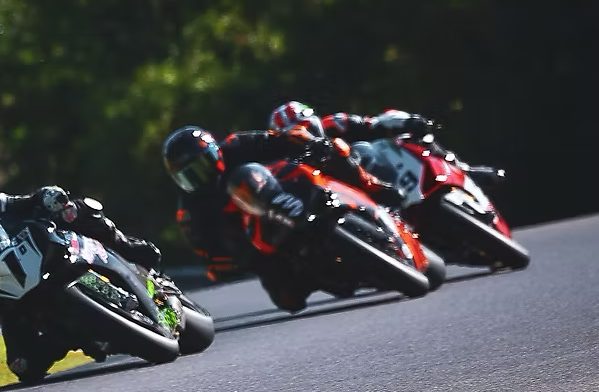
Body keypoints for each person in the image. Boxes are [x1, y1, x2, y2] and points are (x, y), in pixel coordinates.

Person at [0, 175, 164, 381]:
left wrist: (47, 196)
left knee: (75, 211)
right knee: (23, 366)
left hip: (44, 252)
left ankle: (127, 248)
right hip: (12, 298)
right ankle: (73, 335)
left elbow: (27, 202)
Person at [162, 125, 359, 312]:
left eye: (201, 168)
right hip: (261, 243)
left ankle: (379, 192)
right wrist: (230, 261)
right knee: (290, 301)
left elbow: (278, 139)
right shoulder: (191, 210)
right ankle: (325, 272)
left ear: (215, 153)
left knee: (338, 156)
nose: (199, 179)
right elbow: (207, 254)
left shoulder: (237, 145)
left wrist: (309, 144)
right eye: (188, 177)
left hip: (287, 189)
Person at [269, 101, 507, 190]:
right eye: (296, 133)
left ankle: (463, 170)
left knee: (408, 136)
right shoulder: (287, 163)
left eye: (307, 126)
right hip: (353, 195)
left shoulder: (335, 124)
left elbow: (374, 124)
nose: (306, 134)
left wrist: (408, 121)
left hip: (387, 173)